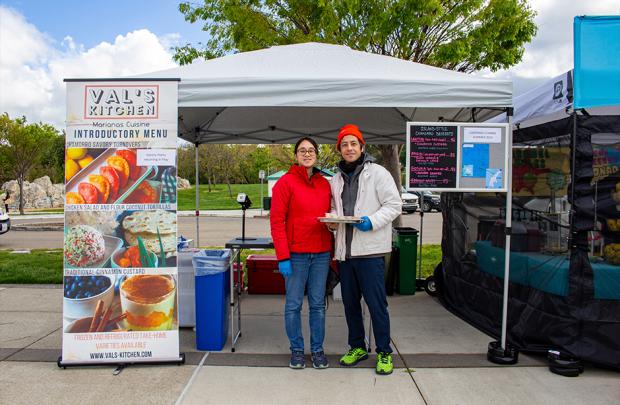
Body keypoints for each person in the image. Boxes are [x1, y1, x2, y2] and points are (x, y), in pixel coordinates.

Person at [328, 124, 402, 375]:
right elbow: (337, 212)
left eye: (353, 144)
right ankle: (357, 346)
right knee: (350, 304)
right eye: (344, 144)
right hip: (346, 253)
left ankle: (384, 352)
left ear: (362, 147)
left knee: (376, 304)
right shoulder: (335, 179)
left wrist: (372, 221)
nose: (349, 148)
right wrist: (331, 223)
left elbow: (394, 205)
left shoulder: (378, 173)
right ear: (339, 149)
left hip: (369, 252)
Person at [270, 136, 333, 370]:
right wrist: (283, 256)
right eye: (302, 150)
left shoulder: (324, 184)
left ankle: (317, 350)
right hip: (295, 255)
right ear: (296, 156)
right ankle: (297, 350)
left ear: (316, 154)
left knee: (317, 305)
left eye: (311, 150)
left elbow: (332, 215)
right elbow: (277, 222)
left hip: (321, 253)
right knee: (293, 305)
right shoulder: (285, 183)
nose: (307, 154)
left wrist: (333, 224)